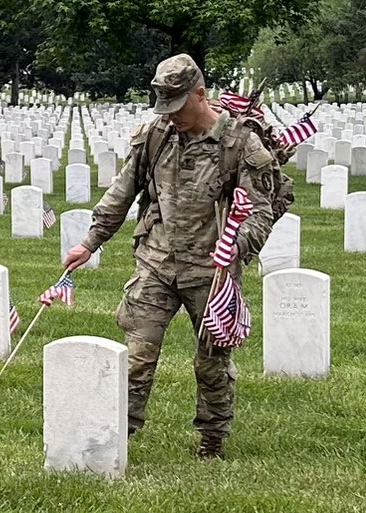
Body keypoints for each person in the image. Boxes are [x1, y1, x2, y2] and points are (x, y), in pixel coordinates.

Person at [62, 53, 279, 459]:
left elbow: (262, 209)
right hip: (156, 260)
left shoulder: (239, 143)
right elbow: (122, 193)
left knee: (211, 362)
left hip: (211, 271)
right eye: (164, 106)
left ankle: (212, 439)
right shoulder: (156, 135)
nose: (172, 115)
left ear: (201, 93)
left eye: (178, 106)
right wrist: (91, 241)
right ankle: (115, 438)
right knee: (136, 357)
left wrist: (239, 244)